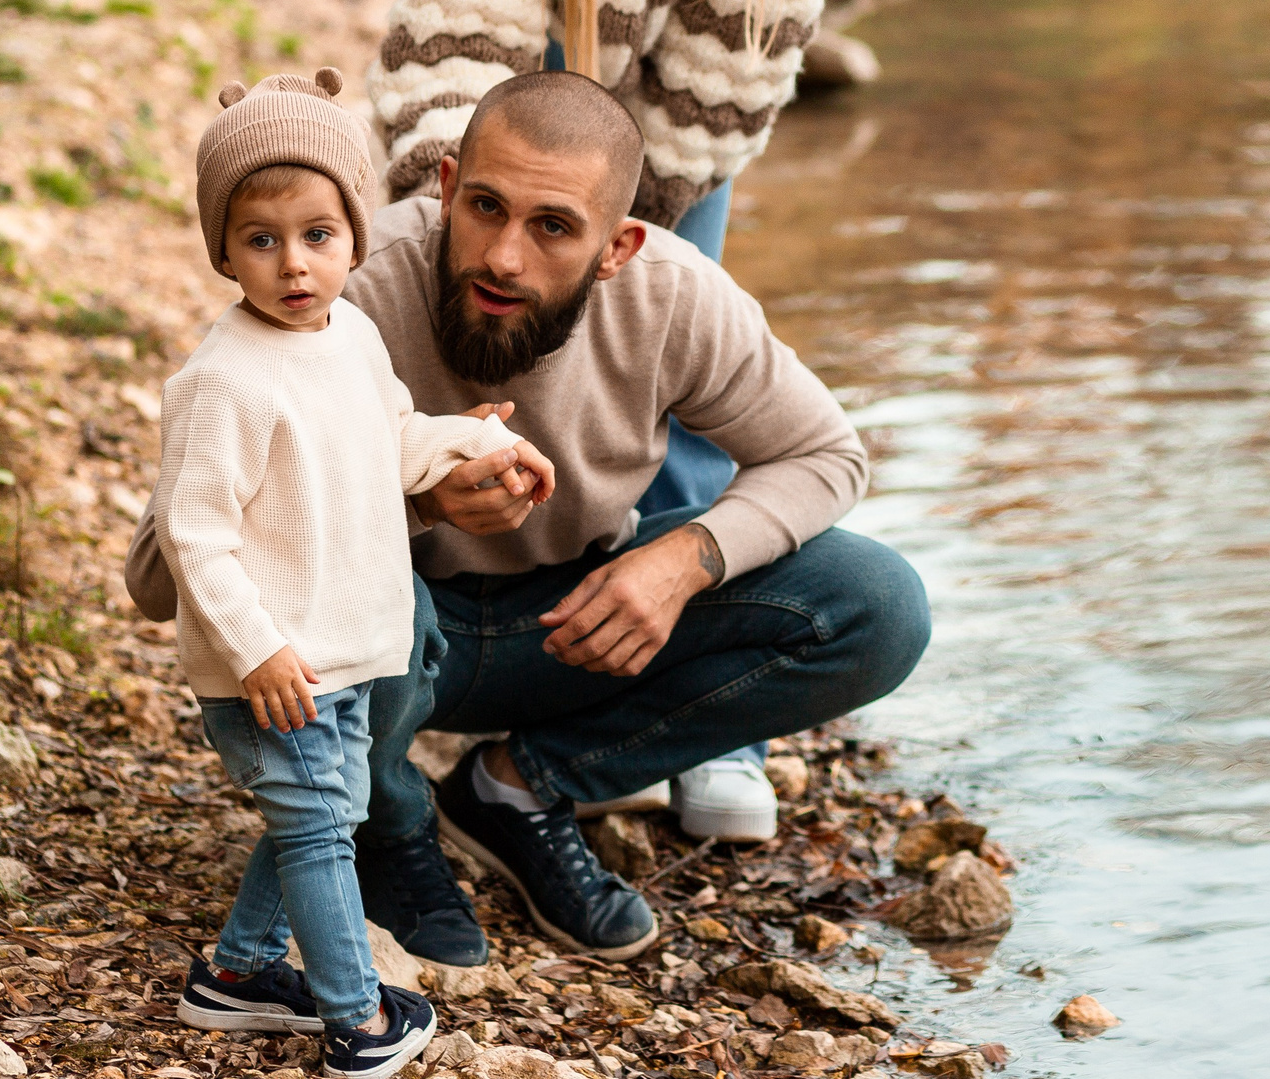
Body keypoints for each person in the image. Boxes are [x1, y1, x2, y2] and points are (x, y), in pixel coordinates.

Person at [369, 0, 895, 843]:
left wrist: (636, 237)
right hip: (531, 14)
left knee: (687, 345)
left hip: (688, 81)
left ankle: (696, 710)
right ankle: (442, 619)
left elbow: (749, 37)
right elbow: (466, 12)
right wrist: (464, 198)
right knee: (484, 291)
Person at [339, 72, 931, 966]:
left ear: (616, 247)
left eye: (552, 227)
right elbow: (214, 526)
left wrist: (687, 557)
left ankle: (522, 789)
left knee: (877, 604)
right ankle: (390, 823)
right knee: (361, 591)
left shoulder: (672, 295)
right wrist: (413, 502)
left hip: (573, 627)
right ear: (448, 187)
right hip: (396, 644)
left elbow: (829, 456)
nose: (504, 257)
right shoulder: (351, 285)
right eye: (487, 208)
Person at [150, 70, 551, 1079]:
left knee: (317, 814)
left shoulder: (354, 335)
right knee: (325, 832)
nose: (293, 264)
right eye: (261, 239)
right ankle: (355, 1019)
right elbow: (194, 538)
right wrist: (259, 650)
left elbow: (394, 437)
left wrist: (471, 441)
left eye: (318, 235)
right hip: (280, 668)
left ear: (354, 237)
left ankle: (238, 976)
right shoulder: (226, 379)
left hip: (347, 650)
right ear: (224, 248)